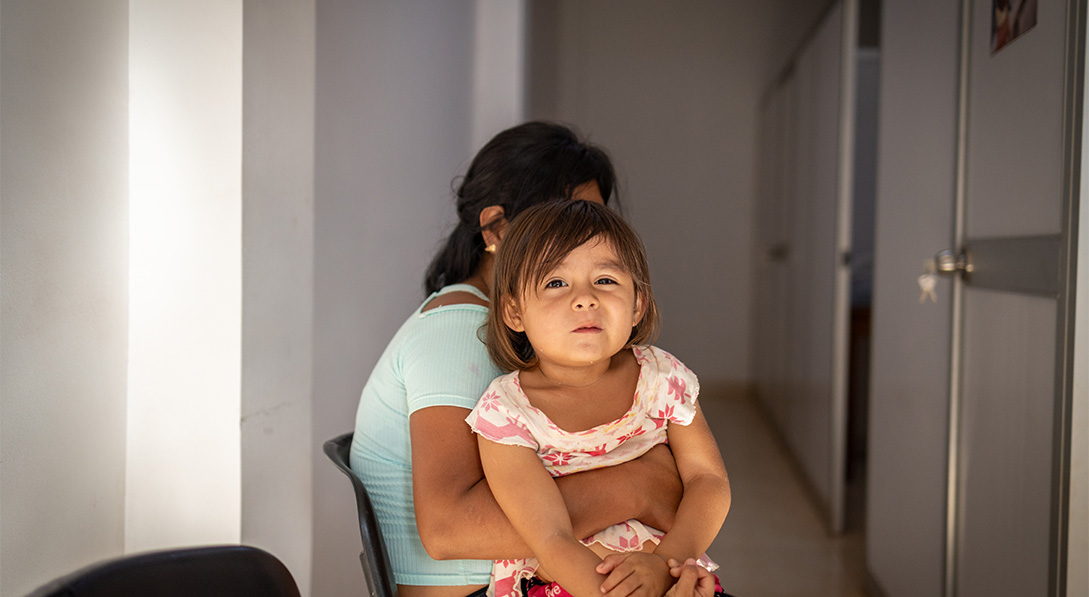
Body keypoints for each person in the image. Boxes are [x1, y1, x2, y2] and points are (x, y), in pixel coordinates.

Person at [349, 122, 686, 597]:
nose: (587, 240)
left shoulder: (528, 336)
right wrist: (636, 485)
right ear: (497, 229)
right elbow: (449, 529)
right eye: (565, 220)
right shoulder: (461, 330)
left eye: (594, 221)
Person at [466, 199, 732, 597]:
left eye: (605, 280)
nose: (584, 298)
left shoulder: (661, 378)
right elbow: (552, 537)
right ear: (514, 312)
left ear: (638, 304)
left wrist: (665, 565)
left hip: (675, 577)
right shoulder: (507, 413)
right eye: (555, 283)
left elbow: (708, 480)